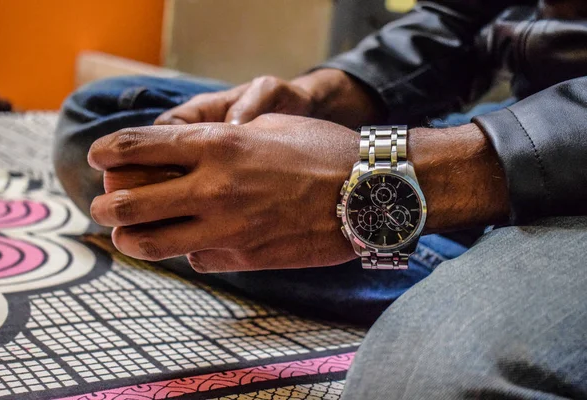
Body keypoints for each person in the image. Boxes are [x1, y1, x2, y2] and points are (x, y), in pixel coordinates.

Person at [54, 1, 587, 398]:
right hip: (517, 119)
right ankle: (418, 236)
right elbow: (460, 15)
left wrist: (392, 170)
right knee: (109, 131)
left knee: (424, 378)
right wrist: (326, 94)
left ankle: (408, 232)